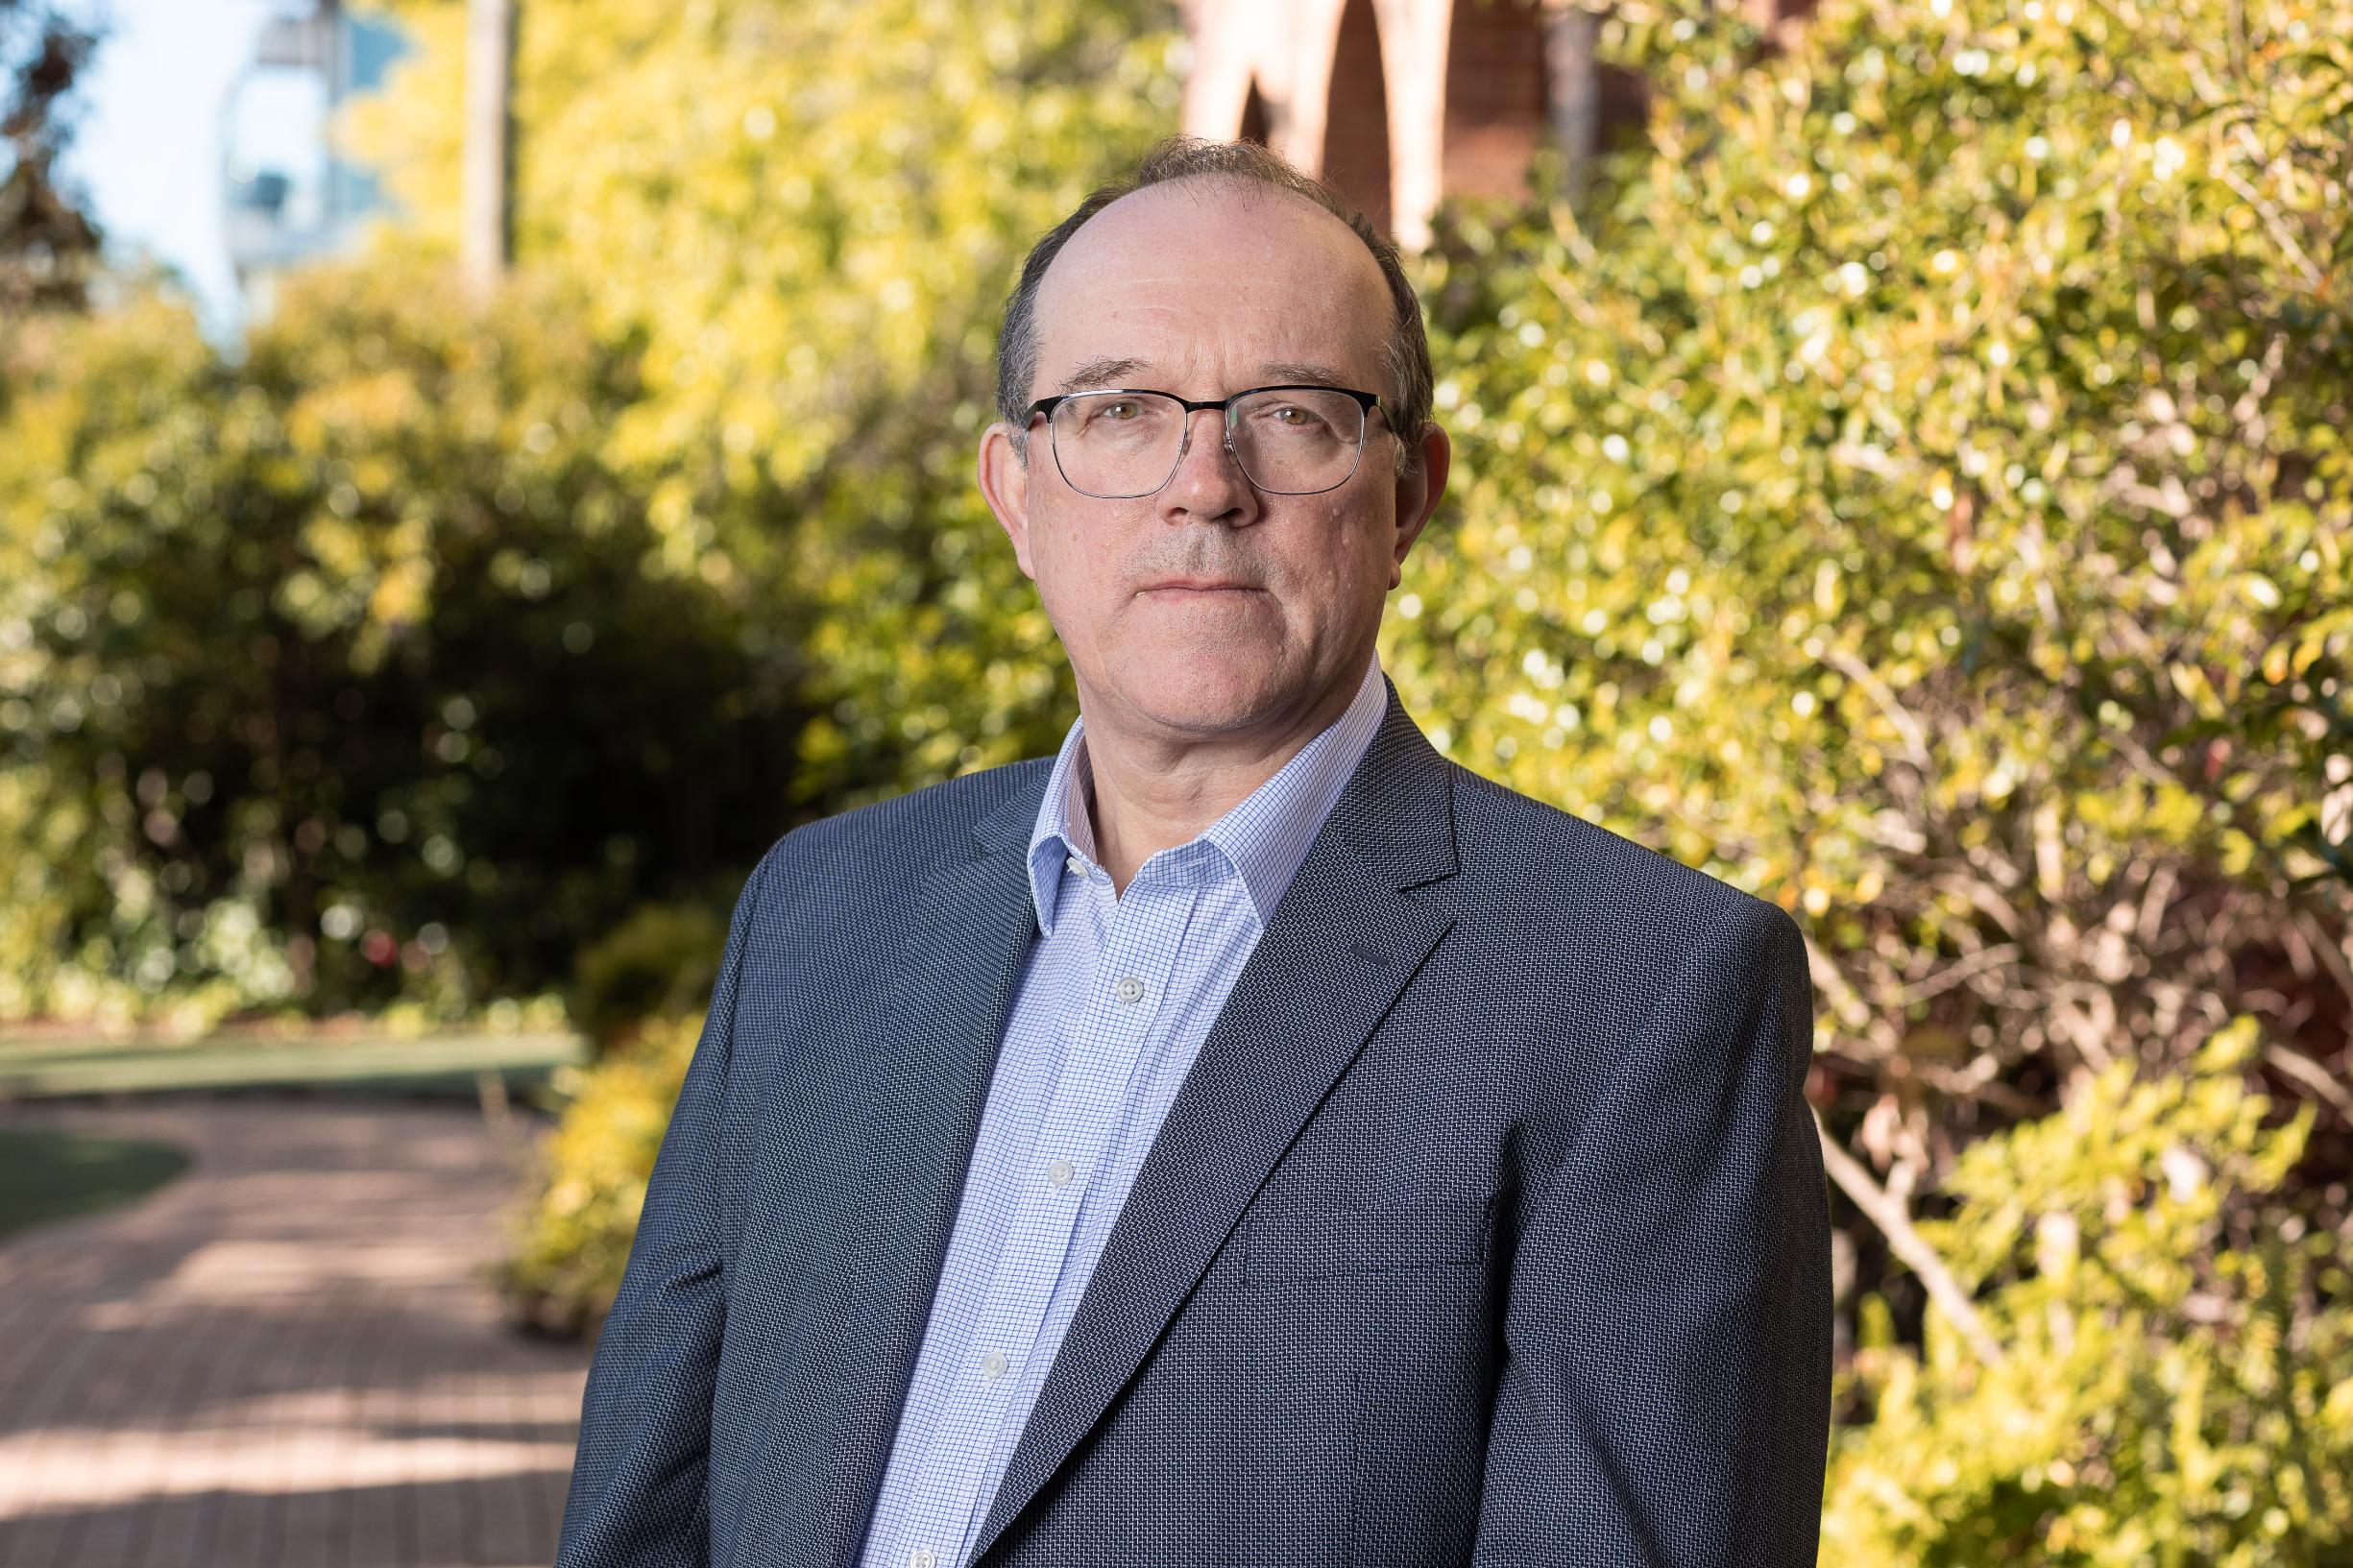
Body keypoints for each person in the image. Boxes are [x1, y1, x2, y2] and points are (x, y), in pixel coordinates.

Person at [555, 136, 1831, 1568]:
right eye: (1117, 411)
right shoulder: (825, 908)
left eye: (1292, 414)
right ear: (1016, 495)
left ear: (1407, 497)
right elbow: (644, 1514)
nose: (1205, 487)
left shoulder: (1638, 989)